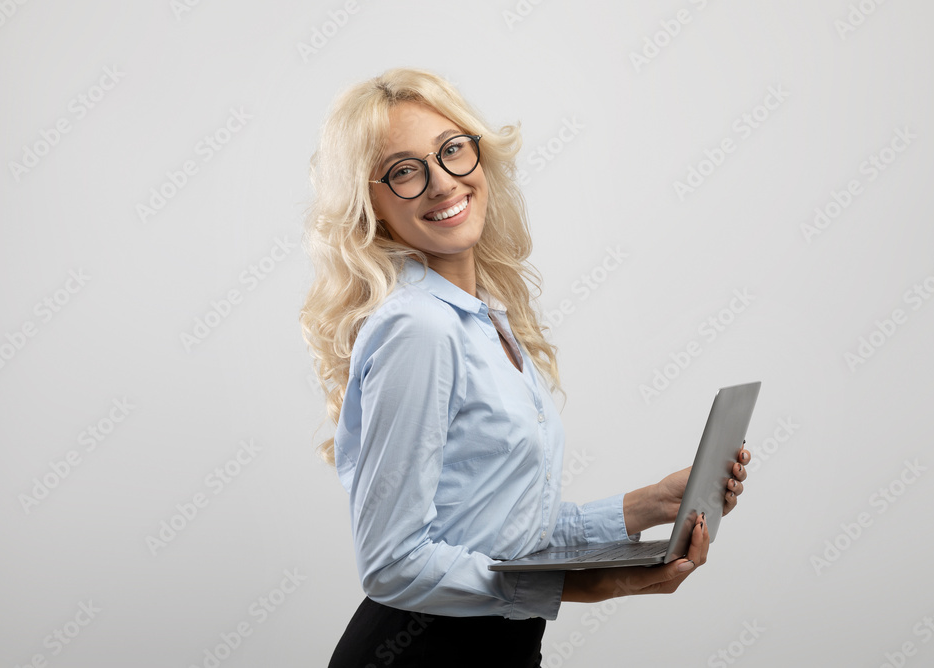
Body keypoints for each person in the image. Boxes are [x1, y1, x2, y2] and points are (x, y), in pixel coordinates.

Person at [299, 67, 751, 668]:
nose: (441, 183)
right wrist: (592, 584)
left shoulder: (482, 316)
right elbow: (393, 564)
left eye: (452, 151)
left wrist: (652, 504)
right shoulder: (421, 327)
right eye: (405, 171)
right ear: (371, 205)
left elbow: (505, 536)